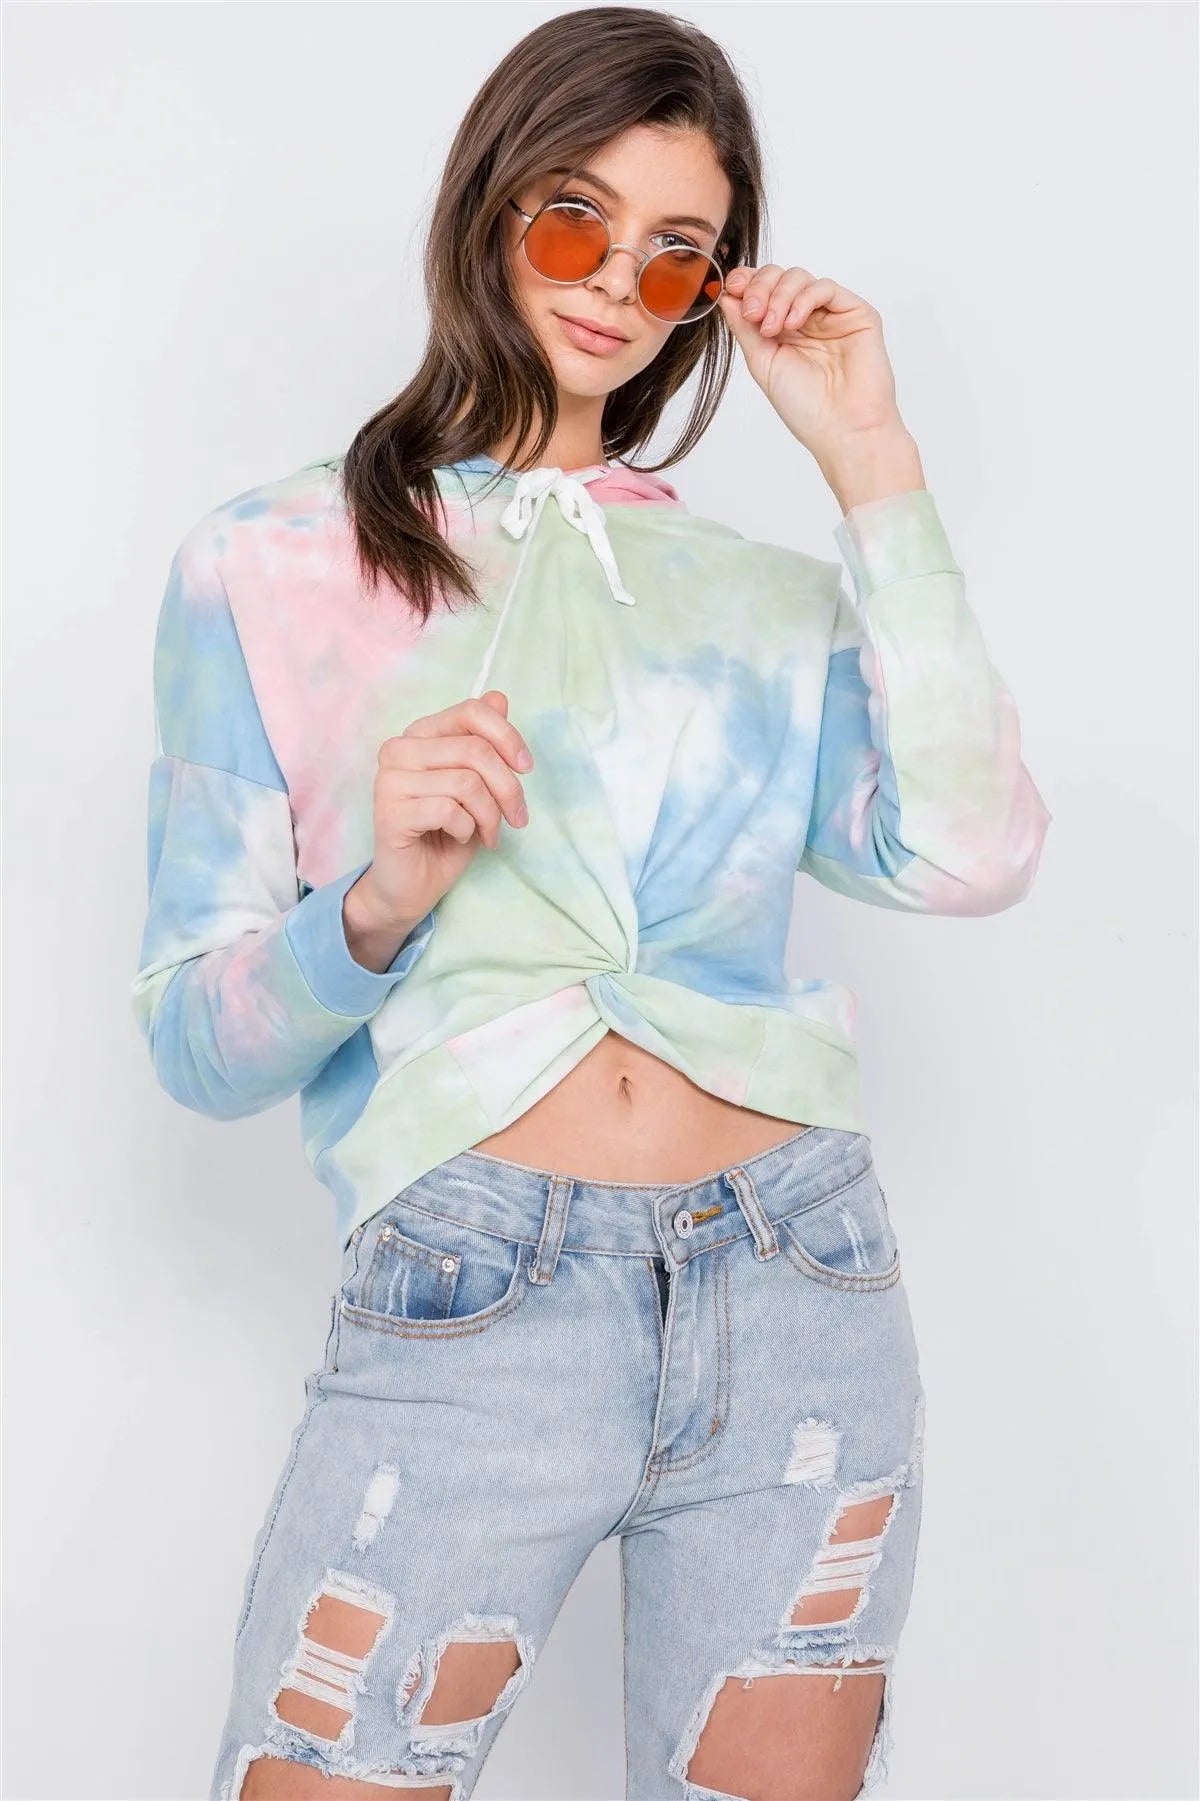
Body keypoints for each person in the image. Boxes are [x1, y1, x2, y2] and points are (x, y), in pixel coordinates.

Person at [131, 9, 1051, 1799]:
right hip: (475, 1293)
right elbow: (193, 1037)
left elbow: (973, 847)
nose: (617, 283)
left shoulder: (758, 596)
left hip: (800, 1285)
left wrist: (870, 459)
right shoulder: (269, 566)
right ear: (491, 204)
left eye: (676, 252)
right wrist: (376, 901)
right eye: (575, 219)